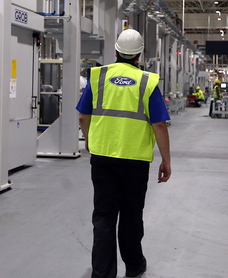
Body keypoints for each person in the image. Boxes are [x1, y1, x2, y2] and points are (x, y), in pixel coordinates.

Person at [77, 28, 172, 278]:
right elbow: (159, 124)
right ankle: (134, 266)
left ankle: (102, 273)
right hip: (135, 161)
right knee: (131, 216)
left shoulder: (98, 77)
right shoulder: (147, 81)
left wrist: (89, 140)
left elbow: (83, 116)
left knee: (104, 217)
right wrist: (166, 160)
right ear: (139, 55)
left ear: (116, 51)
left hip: (103, 159)